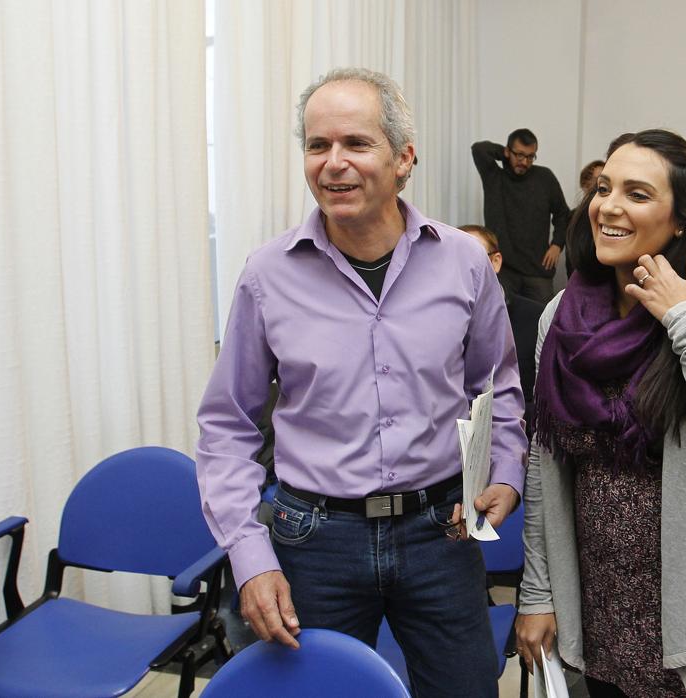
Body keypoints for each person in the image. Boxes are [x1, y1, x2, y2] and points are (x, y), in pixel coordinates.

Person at [196, 67, 527, 698]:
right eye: (317, 145)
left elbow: (496, 387)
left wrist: (505, 472)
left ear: (403, 159)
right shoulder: (267, 275)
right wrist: (249, 555)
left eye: (356, 143)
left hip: (440, 532)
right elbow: (227, 426)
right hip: (313, 539)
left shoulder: (463, 262)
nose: (333, 163)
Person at [515, 129, 686, 698]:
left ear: (682, 221)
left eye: (637, 194)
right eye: (603, 188)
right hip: (600, 604)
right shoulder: (562, 318)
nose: (608, 206)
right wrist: (538, 592)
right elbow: (545, 467)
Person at [472, 129, 572, 303]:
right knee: (501, 316)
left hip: (537, 269)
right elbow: (479, 149)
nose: (524, 162)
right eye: (519, 155)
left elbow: (562, 214)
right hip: (504, 268)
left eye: (530, 156)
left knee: (544, 317)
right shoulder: (494, 176)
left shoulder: (545, 178)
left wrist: (557, 243)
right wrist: (504, 154)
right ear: (508, 151)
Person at [461, 223, 545, 427]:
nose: (463, 269)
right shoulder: (439, 322)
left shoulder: (536, 317)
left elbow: (544, 397)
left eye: (472, 258)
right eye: (453, 261)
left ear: (496, 261)